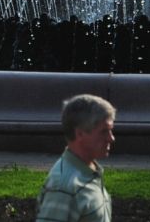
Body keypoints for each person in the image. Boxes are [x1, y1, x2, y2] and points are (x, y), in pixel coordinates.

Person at [34, 93, 113, 222]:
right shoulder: (64, 186)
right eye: (104, 131)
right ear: (80, 133)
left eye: (111, 130)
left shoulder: (88, 171)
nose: (111, 138)